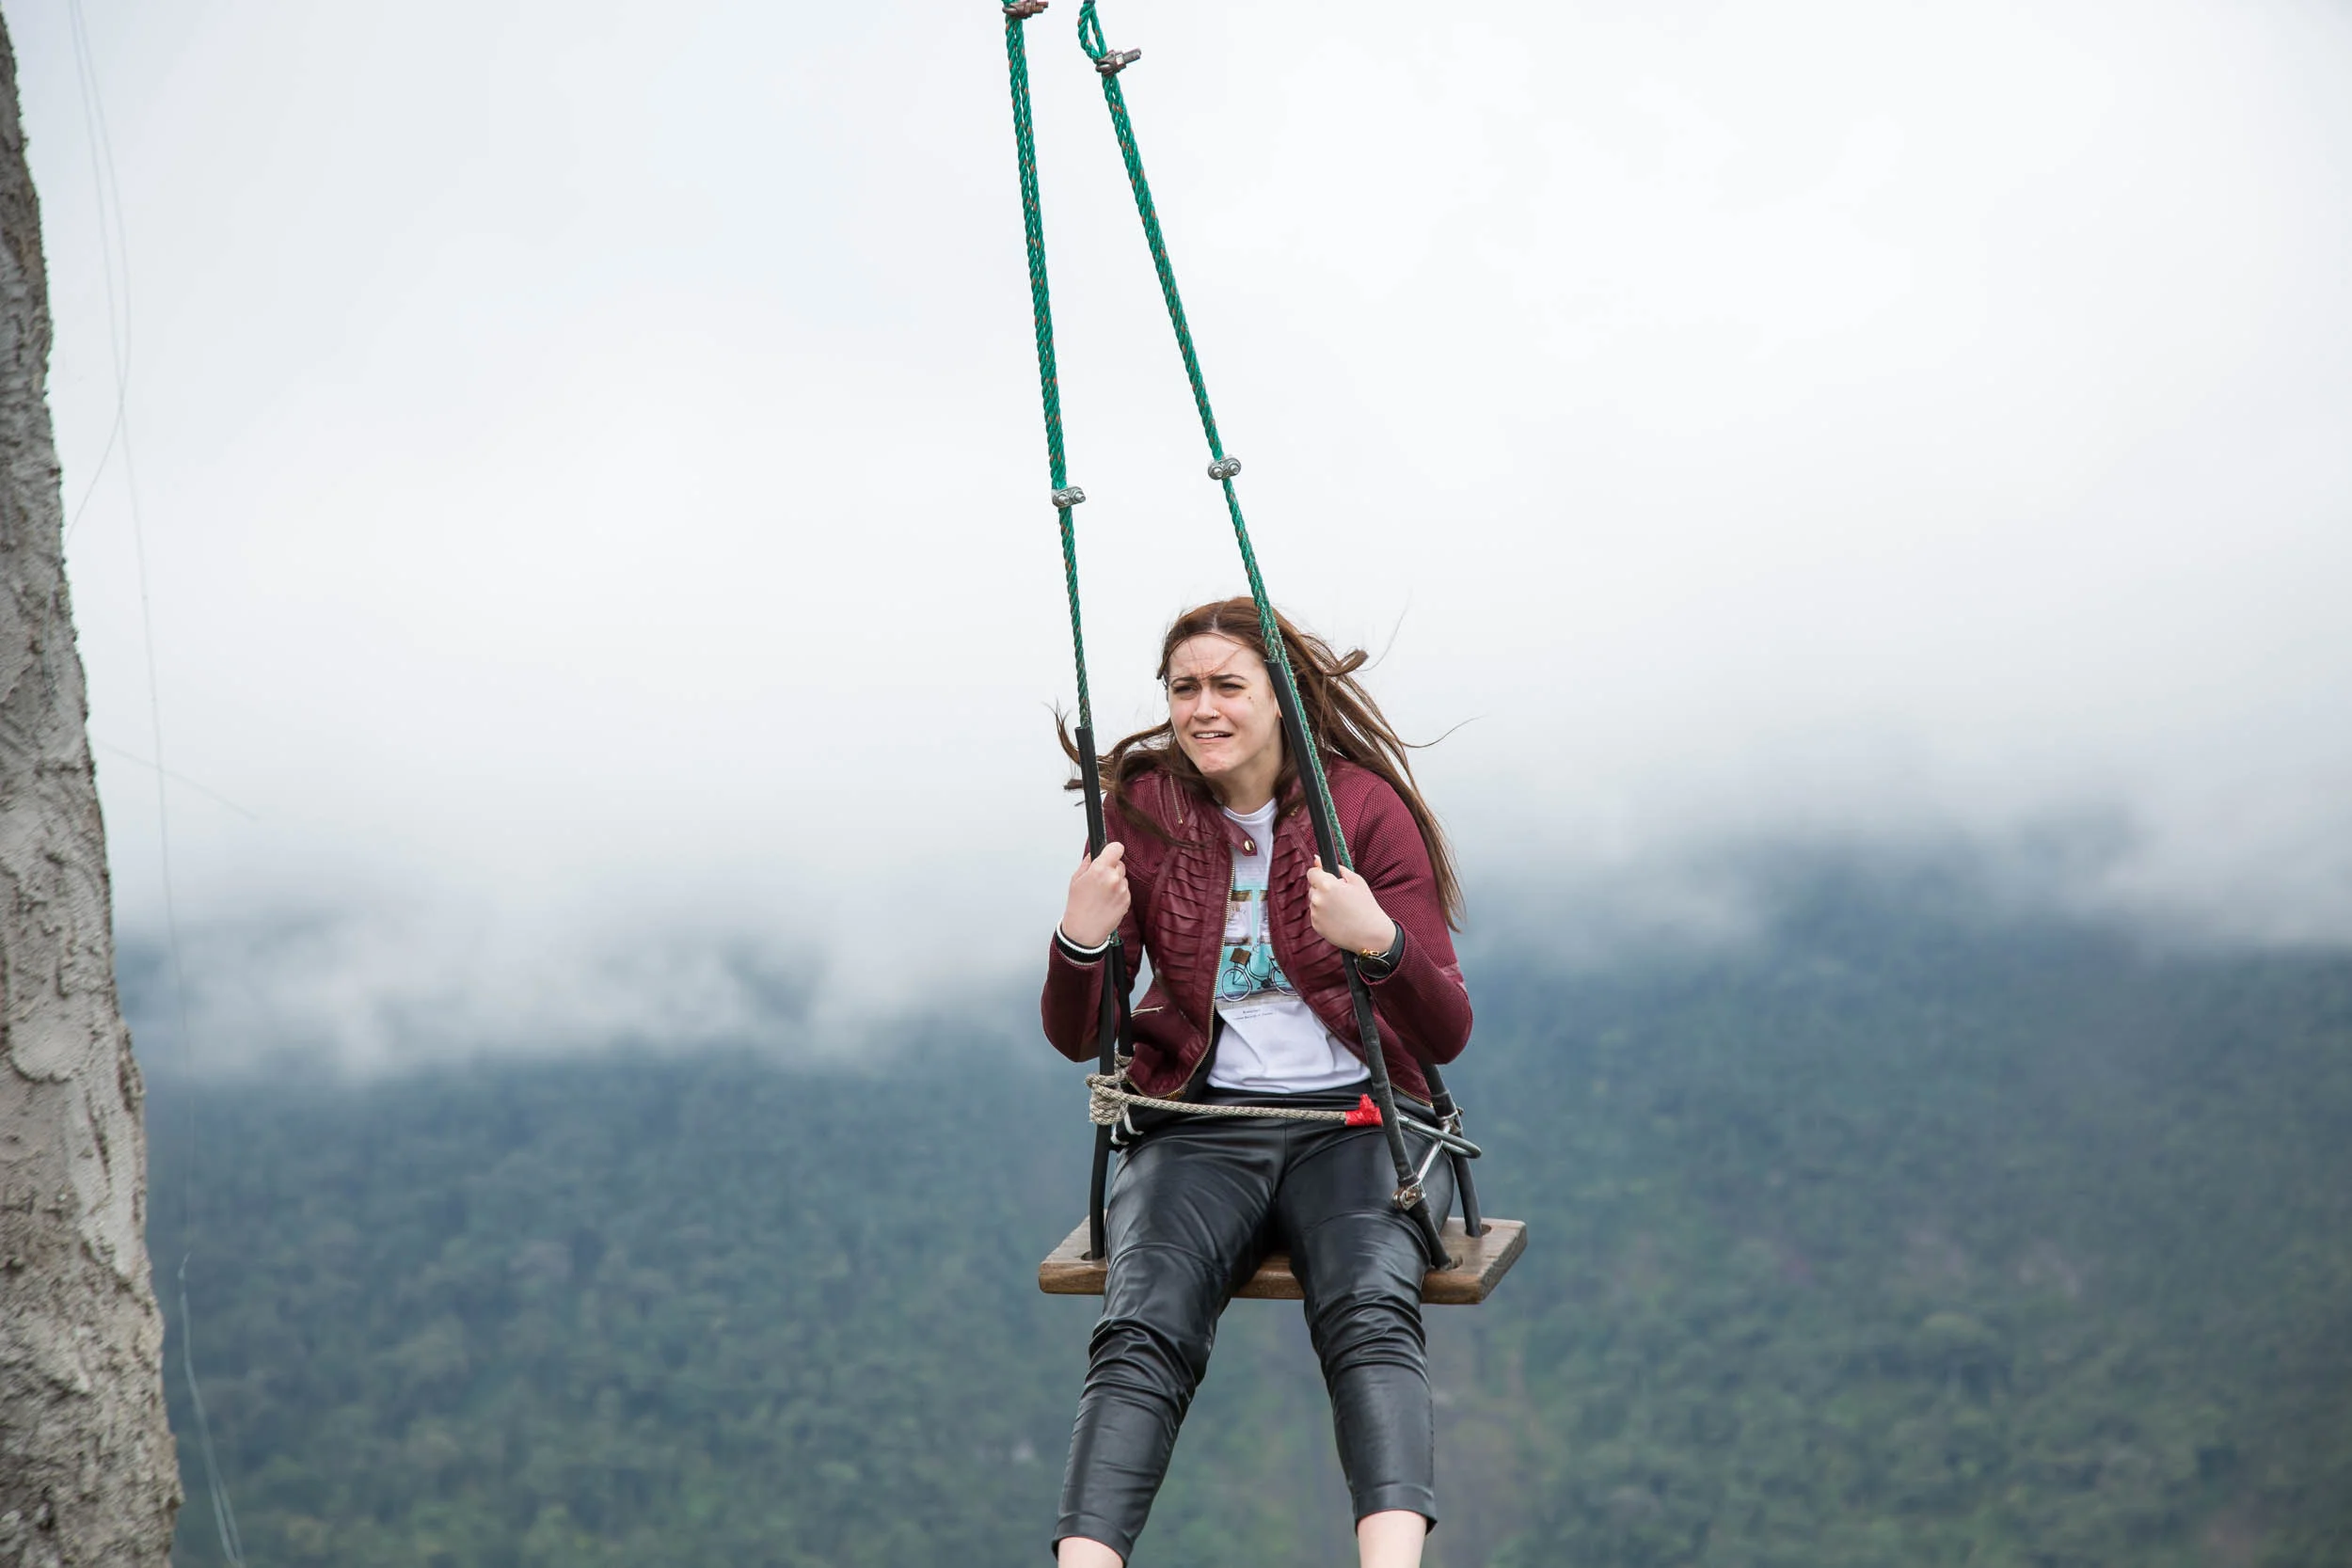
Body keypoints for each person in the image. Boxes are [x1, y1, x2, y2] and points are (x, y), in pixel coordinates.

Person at [1041, 596, 1473, 1568]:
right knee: (1142, 1320)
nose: (1203, 707)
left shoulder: (1358, 808)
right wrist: (1080, 934)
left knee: (1367, 1305)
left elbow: (1446, 1025)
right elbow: (1080, 1034)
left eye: (1228, 684)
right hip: (1199, 1119)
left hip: (1363, 1116)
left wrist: (1380, 942)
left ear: (1279, 698)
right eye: (1184, 686)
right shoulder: (1142, 815)